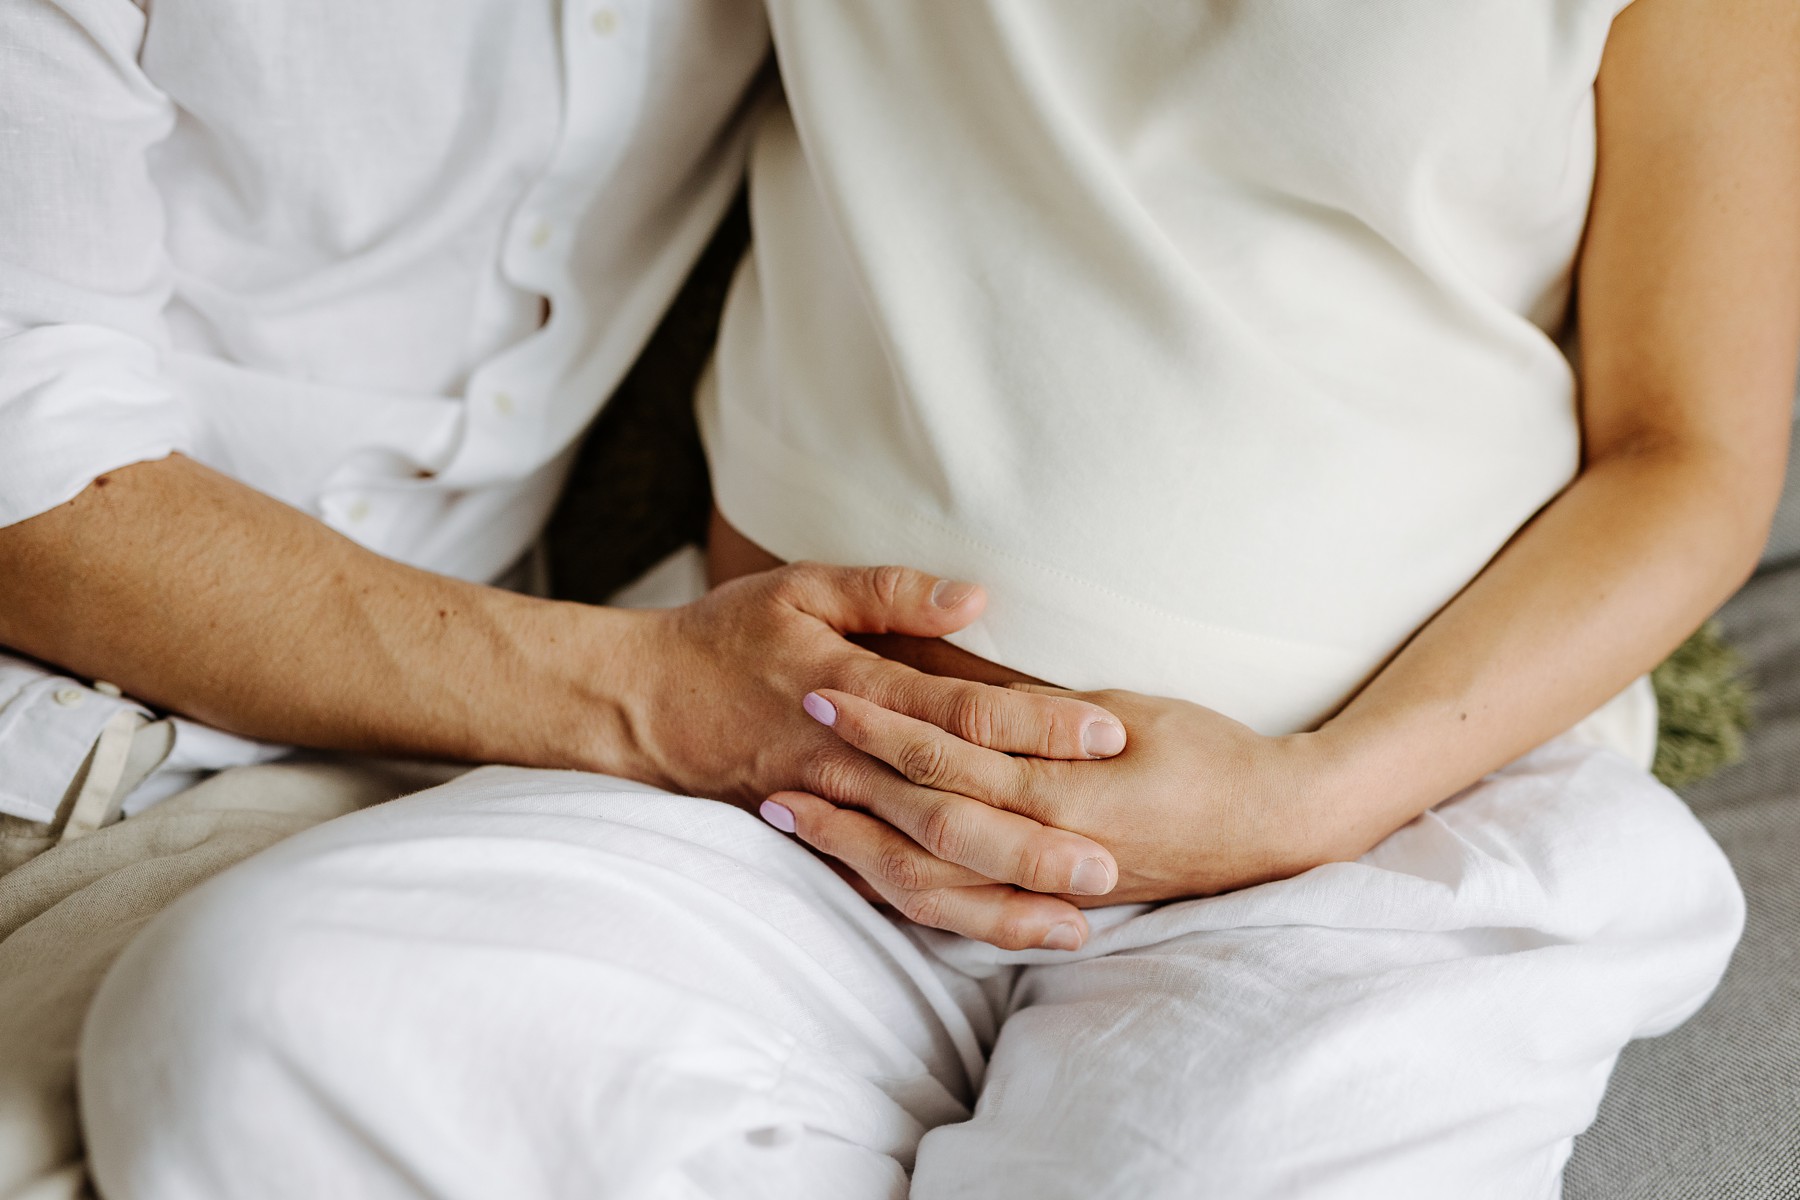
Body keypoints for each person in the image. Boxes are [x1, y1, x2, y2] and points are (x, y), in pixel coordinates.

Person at [69, 0, 1800, 1197]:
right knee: (256, 1026)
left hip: (1377, 829)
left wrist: (1306, 797)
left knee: (1190, 1169)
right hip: (785, 775)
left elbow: (1688, 455)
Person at [0, 3, 1132, 1198]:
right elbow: (29, 479)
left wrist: (1316, 787)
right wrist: (652, 695)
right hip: (73, 756)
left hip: (424, 779)